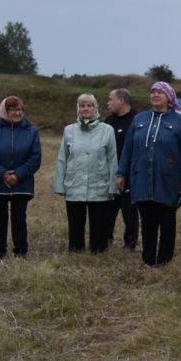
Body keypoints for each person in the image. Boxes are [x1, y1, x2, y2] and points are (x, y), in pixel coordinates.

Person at [116, 80, 181, 267]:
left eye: (160, 92)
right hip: (141, 177)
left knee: (167, 221)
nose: (155, 95)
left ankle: (164, 261)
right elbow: (128, 148)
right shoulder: (139, 119)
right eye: (153, 92)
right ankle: (148, 260)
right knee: (147, 221)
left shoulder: (179, 122)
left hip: (168, 179)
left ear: (169, 97)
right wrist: (121, 173)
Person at [0, 95, 42, 259]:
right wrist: (2, 174)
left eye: (19, 109)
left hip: (22, 183)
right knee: (0, 219)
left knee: (19, 218)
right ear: (4, 111)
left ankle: (21, 250)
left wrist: (18, 175)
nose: (17, 113)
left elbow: (35, 157)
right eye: (12, 109)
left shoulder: (32, 131)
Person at [53, 93, 119, 253]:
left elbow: (112, 159)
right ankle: (76, 250)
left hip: (99, 185)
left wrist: (113, 187)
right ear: (78, 108)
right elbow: (63, 158)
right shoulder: (69, 130)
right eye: (82, 105)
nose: (86, 108)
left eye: (89, 105)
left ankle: (98, 250)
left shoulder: (107, 130)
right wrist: (59, 185)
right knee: (75, 222)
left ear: (95, 108)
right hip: (75, 185)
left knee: (99, 223)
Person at [105, 88, 140, 250]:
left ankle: (130, 242)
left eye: (110, 99)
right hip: (109, 174)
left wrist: (126, 172)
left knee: (130, 211)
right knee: (107, 210)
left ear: (121, 100)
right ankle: (105, 238)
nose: (108, 103)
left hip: (130, 175)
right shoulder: (108, 121)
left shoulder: (137, 120)